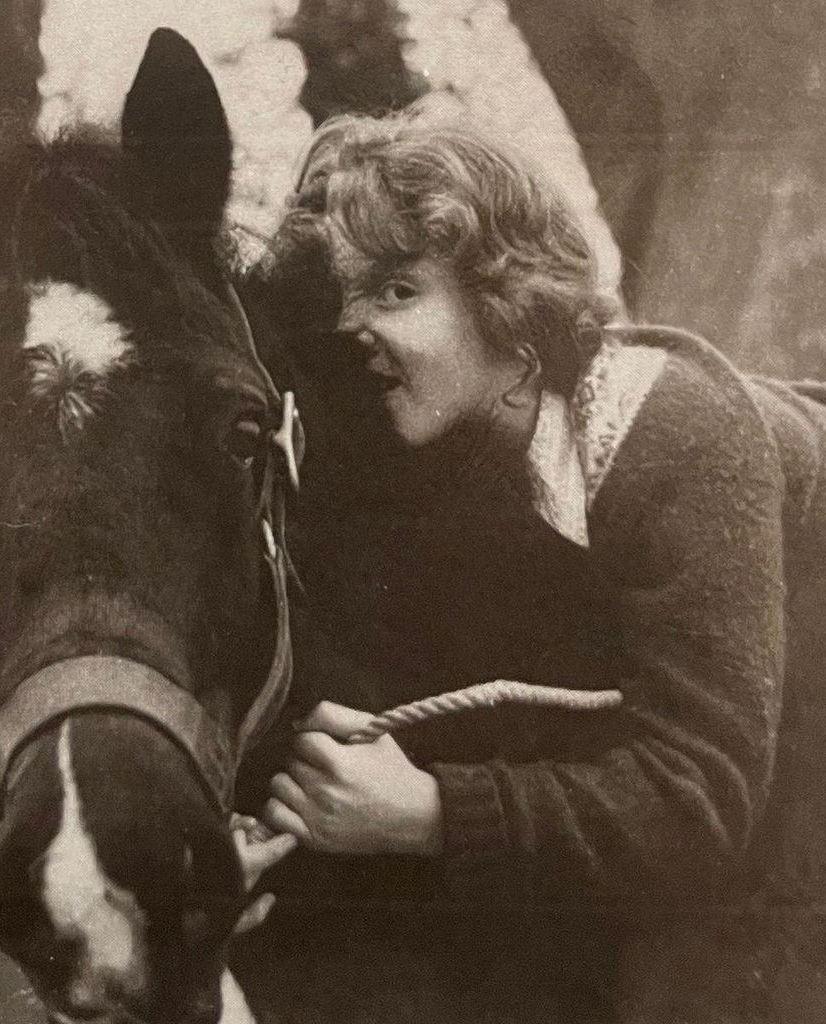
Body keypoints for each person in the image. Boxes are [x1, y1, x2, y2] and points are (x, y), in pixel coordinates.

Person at [234, 104, 826, 1020]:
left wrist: (431, 815)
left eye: (395, 291)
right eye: (337, 299)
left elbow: (696, 800)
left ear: (504, 300)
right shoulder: (409, 458)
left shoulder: (661, 428)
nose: (351, 327)